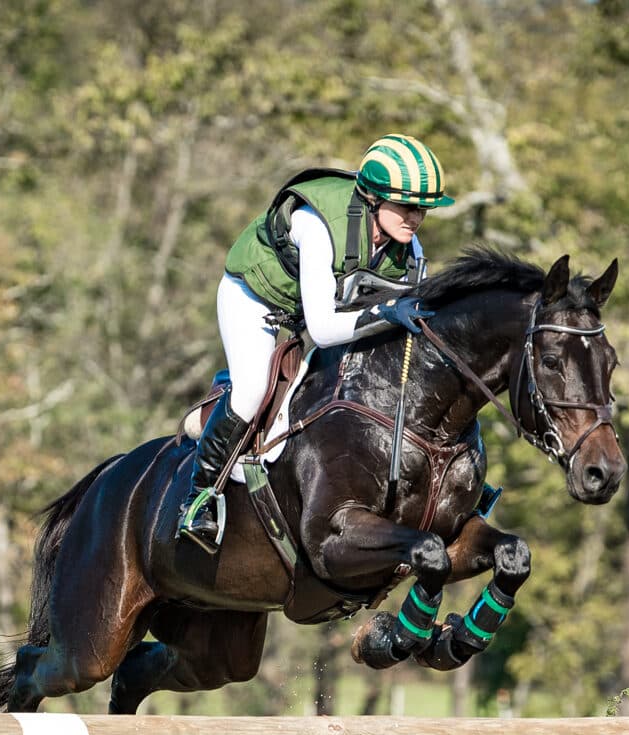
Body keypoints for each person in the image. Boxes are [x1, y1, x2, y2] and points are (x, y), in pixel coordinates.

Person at [181, 135, 456, 548]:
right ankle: (200, 495)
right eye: (406, 206)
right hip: (256, 300)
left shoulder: (409, 250)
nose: (416, 218)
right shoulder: (317, 224)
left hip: (319, 311)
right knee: (253, 389)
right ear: (374, 198)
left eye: (423, 209)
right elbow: (323, 330)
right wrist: (385, 313)